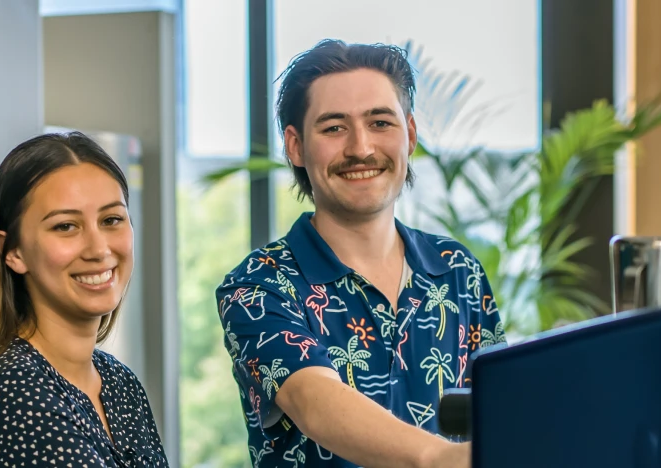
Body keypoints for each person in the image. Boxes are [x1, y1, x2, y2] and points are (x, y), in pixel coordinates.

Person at [216, 39, 506, 468]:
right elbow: (315, 402)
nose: (361, 149)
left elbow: (500, 409)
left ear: (409, 134)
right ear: (295, 146)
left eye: (380, 123)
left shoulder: (457, 269)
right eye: (334, 127)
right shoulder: (258, 286)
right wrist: (439, 459)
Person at [0, 132, 169, 467]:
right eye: (65, 227)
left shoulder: (119, 382)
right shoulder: (11, 392)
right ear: (12, 251)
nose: (99, 249)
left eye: (111, 220)